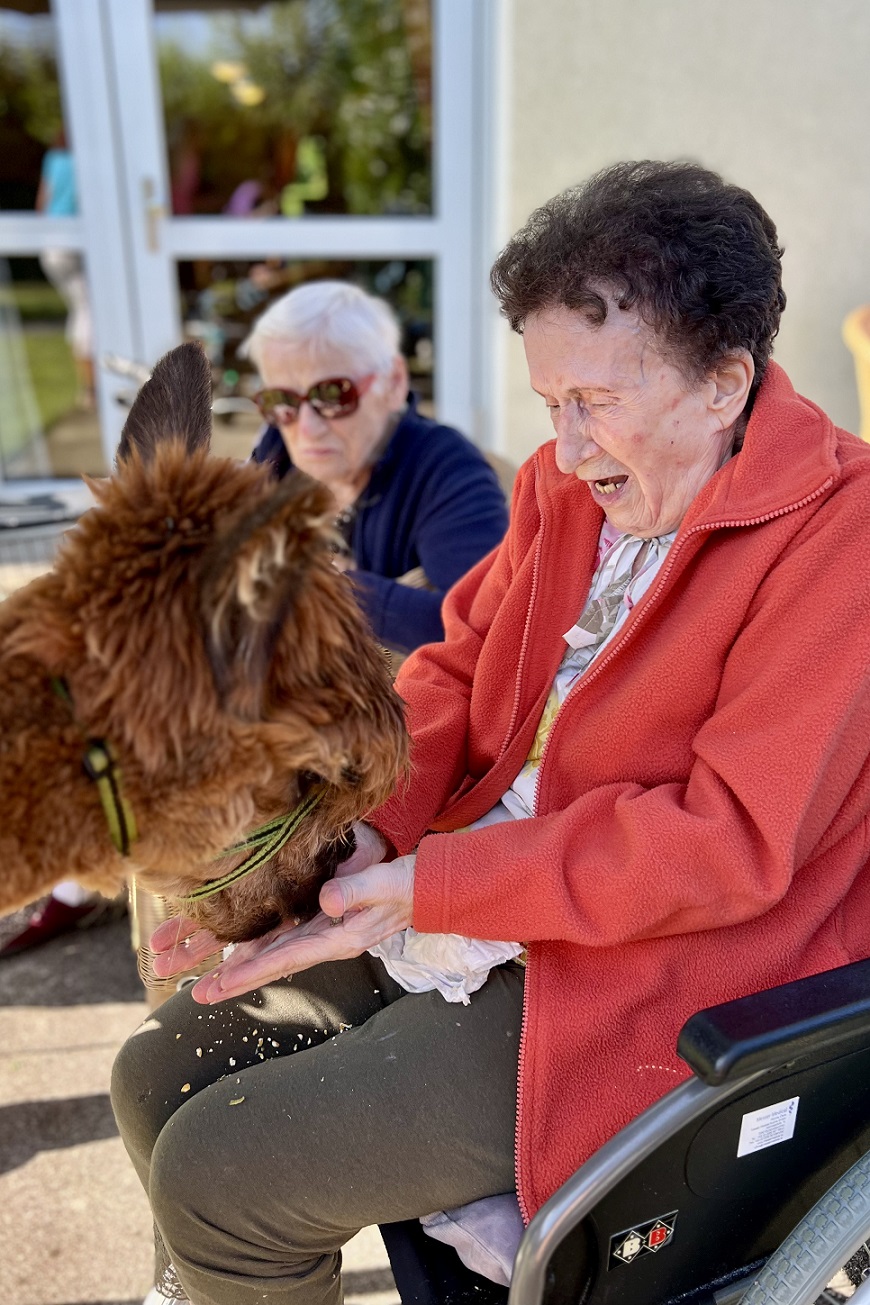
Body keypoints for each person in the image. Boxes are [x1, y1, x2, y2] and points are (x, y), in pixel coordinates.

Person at [111, 160, 870, 1305]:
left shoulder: (841, 539)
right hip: (482, 901)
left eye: (595, 400)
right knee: (151, 1073)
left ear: (724, 383)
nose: (566, 447)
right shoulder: (570, 491)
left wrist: (438, 887)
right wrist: (365, 837)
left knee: (224, 1173)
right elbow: (457, 672)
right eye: (549, 403)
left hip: (656, 973)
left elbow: (725, 844)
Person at [246, 280, 510, 657]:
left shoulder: (446, 468)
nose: (306, 428)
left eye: (332, 395)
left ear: (394, 383)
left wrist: (320, 585)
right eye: (281, 400)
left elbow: (487, 627)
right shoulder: (274, 456)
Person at [36, 129, 94, 409]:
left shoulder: (54, 158)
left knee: (80, 309)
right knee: (87, 311)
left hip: (51, 244)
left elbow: (42, 204)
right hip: (73, 243)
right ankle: (90, 387)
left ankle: (88, 385)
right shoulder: (89, 159)